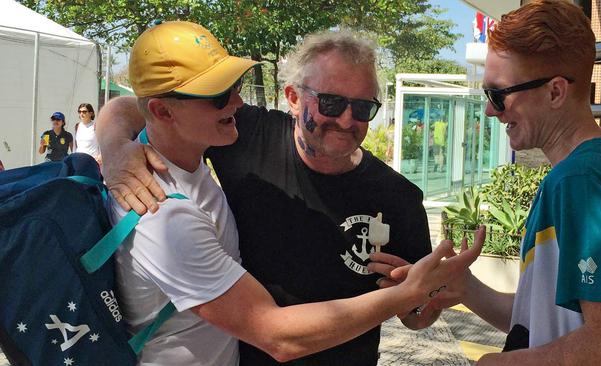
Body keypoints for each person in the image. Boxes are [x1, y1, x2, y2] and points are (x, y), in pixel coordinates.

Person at [101, 20, 484, 366]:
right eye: (331, 103)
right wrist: (117, 148)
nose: (347, 120)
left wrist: (426, 301)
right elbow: (129, 107)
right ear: (293, 97)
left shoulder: (398, 197)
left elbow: (417, 314)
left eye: (364, 107)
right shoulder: (241, 137)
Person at [372, 1, 601, 365]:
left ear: (555, 92)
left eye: (499, 95)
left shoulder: (578, 181)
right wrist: (464, 285)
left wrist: (496, 363)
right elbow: (540, 324)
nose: (490, 110)